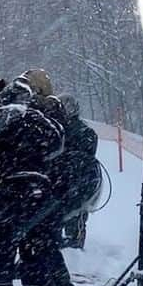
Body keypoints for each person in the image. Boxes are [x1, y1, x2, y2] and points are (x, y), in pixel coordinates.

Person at [0, 77, 71, 286]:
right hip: (37, 195)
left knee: (0, 251)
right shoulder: (40, 120)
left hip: (2, 193)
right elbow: (57, 144)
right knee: (36, 251)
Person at [55, 94, 101, 249]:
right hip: (67, 184)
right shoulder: (58, 129)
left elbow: (87, 158)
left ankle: (74, 248)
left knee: (74, 217)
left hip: (76, 184)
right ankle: (69, 245)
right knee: (67, 217)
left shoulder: (81, 132)